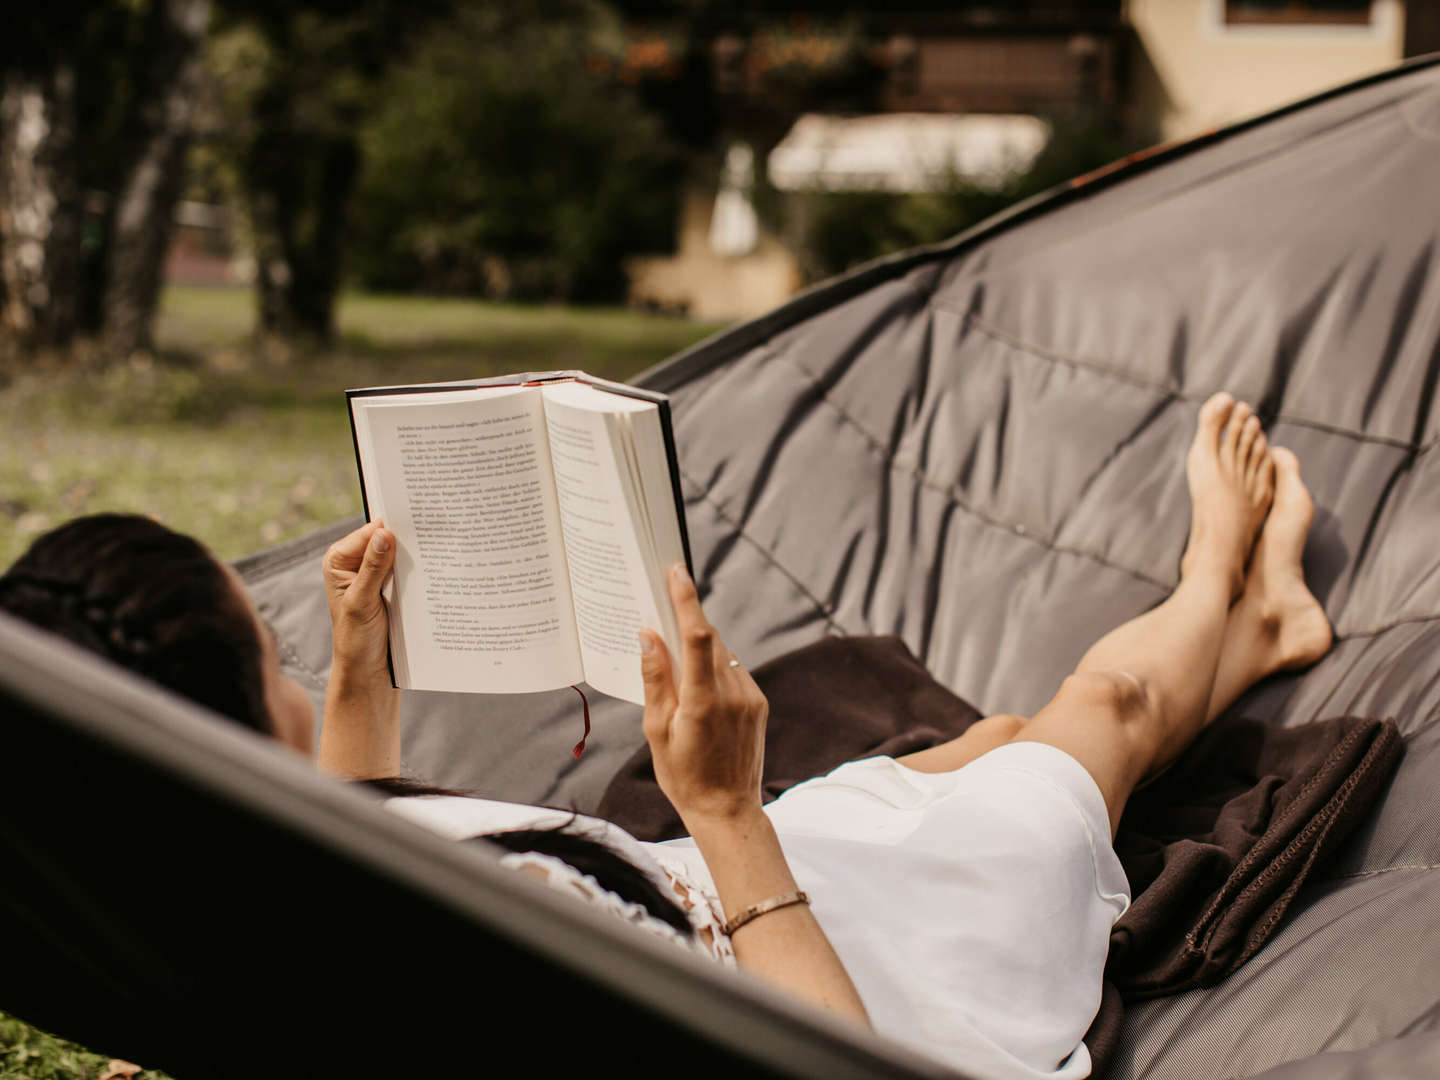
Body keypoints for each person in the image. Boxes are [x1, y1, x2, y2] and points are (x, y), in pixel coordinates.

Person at [0, 393, 1332, 1078]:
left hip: (728, 903)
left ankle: (1262, 629)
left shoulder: (212, 901)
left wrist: (358, 670)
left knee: (989, 736)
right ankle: (1223, 573)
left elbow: (364, 871)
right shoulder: (470, 955)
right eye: (276, 652)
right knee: (1097, 724)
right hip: (833, 977)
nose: (299, 676)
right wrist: (727, 812)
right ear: (239, 713)